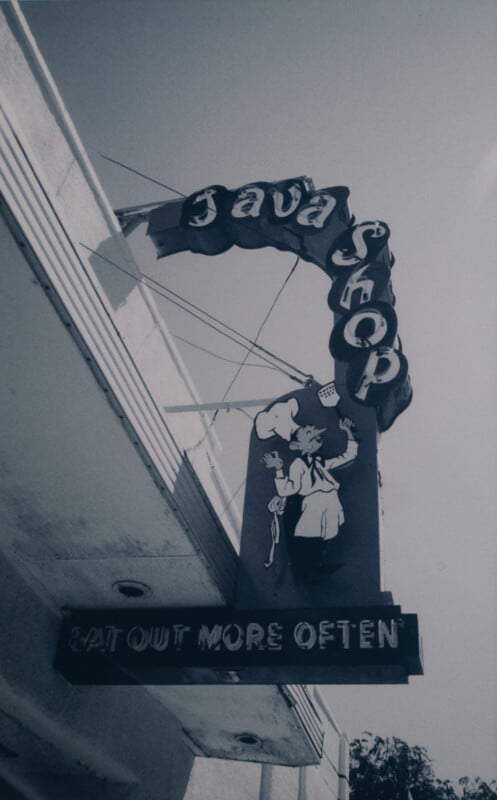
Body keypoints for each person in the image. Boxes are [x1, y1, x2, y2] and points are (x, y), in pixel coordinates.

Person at [263, 417, 358, 584]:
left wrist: (348, 432)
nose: (315, 435)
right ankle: (307, 570)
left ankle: (318, 564)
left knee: (327, 533)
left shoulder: (321, 462)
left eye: (314, 433)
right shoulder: (298, 464)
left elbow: (348, 456)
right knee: (310, 534)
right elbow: (288, 489)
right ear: (296, 446)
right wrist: (279, 469)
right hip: (313, 502)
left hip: (331, 501)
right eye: (308, 434)